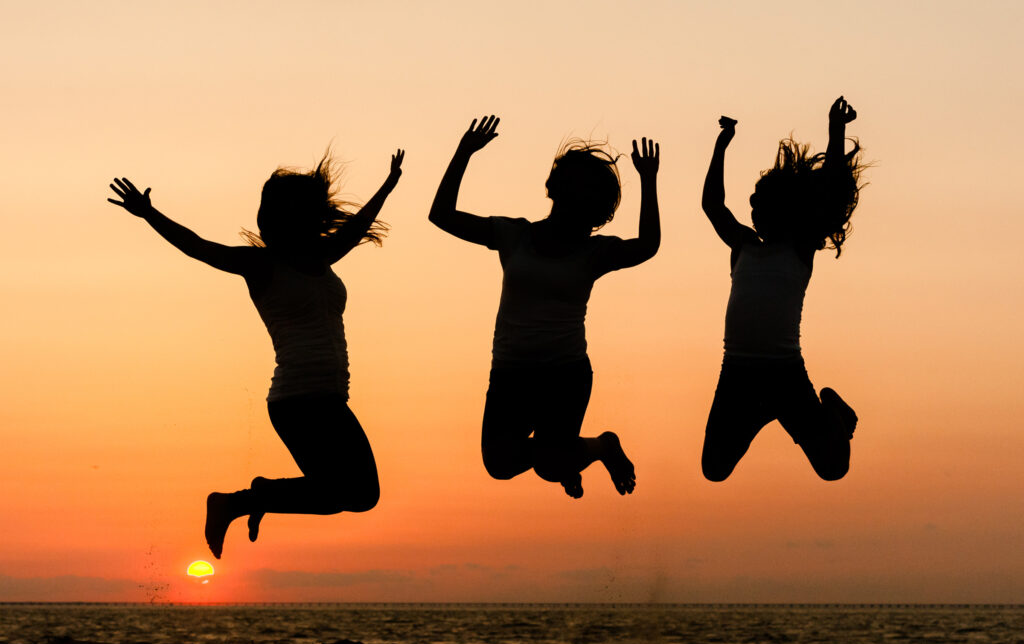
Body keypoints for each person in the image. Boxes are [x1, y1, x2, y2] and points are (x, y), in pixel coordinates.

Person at [108, 148, 404, 558]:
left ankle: (246, 499)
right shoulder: (260, 265)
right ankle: (241, 500)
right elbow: (197, 246)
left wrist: (388, 186)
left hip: (332, 397)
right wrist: (149, 214)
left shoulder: (323, 257)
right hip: (298, 401)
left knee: (360, 495)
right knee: (348, 493)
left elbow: (356, 228)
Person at [429, 115, 660, 498]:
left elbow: (647, 245)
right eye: (573, 190)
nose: (578, 204)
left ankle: (598, 448)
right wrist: (464, 153)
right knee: (500, 465)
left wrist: (648, 180)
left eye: (588, 199)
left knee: (551, 466)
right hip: (511, 373)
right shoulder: (514, 234)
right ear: (555, 190)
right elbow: (442, 216)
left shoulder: (594, 252)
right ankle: (568, 455)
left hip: (564, 374)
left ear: (596, 211)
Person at [700, 96, 864, 482]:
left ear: (786, 210)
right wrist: (721, 146)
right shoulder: (742, 245)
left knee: (833, 468)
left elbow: (832, 188)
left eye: (761, 206)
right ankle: (761, 413)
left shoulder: (799, 248)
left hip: (785, 372)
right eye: (753, 206)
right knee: (713, 469)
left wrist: (836, 131)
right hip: (737, 372)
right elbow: (712, 205)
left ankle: (834, 412)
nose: (753, 212)